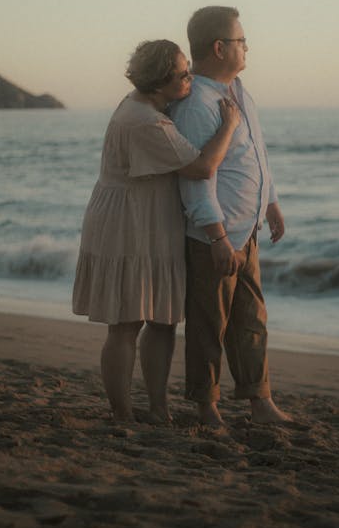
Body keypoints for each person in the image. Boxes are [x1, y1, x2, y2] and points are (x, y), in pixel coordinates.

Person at [72, 39, 240, 423]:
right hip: (128, 224)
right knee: (126, 323)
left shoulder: (142, 104)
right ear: (159, 83)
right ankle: (124, 413)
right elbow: (202, 168)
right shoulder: (146, 121)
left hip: (151, 220)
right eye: (182, 75)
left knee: (163, 317)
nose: (190, 80)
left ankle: (158, 408)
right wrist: (228, 125)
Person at [171, 6, 292, 427]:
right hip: (215, 237)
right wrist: (217, 236)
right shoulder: (195, 105)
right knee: (210, 325)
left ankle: (261, 403)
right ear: (219, 47)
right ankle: (206, 407)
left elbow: (257, 154)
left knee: (252, 319)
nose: (247, 47)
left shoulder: (240, 92)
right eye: (241, 40)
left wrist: (271, 202)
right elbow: (196, 180)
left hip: (248, 230)